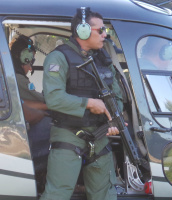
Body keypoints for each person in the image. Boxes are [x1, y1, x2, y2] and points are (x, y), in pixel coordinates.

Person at [40, 7, 123, 200]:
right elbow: (53, 98)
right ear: (82, 30)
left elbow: (117, 96)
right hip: (69, 135)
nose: (105, 35)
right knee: (57, 194)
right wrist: (88, 103)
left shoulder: (104, 60)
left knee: (106, 195)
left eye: (106, 31)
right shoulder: (59, 58)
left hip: (100, 136)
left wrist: (113, 121)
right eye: (100, 30)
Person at [10, 35, 52, 192]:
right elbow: (41, 101)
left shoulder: (16, 76)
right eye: (31, 61)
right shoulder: (19, 80)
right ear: (24, 58)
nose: (31, 67)